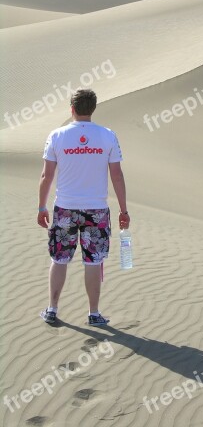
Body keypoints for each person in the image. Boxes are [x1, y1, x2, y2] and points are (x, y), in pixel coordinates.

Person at [37, 87, 130, 325]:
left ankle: (52, 309)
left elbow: (46, 176)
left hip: (65, 208)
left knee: (59, 259)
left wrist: (41, 207)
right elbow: (117, 176)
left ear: (72, 108)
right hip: (96, 210)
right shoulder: (108, 135)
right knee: (93, 260)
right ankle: (94, 313)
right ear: (93, 108)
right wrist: (123, 210)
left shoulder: (57, 136)